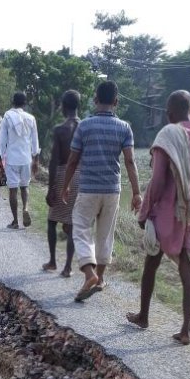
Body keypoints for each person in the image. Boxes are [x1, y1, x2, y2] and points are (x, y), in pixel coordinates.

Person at [127, 90, 190, 345]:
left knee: (151, 263)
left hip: (165, 212)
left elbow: (158, 180)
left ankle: (143, 316)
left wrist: (144, 212)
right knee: (188, 270)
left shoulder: (167, 135)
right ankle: (186, 329)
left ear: (168, 115)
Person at [62, 80, 142, 302]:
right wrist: (136, 193)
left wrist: (66, 185)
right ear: (116, 102)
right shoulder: (125, 127)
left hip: (88, 189)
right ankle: (100, 278)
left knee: (80, 229)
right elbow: (130, 161)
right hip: (112, 190)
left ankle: (90, 274)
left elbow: (72, 161)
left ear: (95, 100)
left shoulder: (84, 126)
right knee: (105, 234)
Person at [43, 90, 81, 277]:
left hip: (61, 175)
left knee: (52, 220)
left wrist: (51, 189)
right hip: (79, 176)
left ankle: (52, 261)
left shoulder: (60, 129)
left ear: (64, 107)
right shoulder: (84, 126)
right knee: (72, 223)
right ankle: (68, 267)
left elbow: (54, 160)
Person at [0, 91, 40, 229]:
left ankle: (15, 221)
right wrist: (36, 159)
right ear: (25, 103)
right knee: (25, 186)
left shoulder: (7, 117)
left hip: (11, 159)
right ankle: (25, 208)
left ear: (12, 102)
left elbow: (2, 139)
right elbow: (35, 141)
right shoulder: (31, 118)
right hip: (26, 158)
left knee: (13, 190)